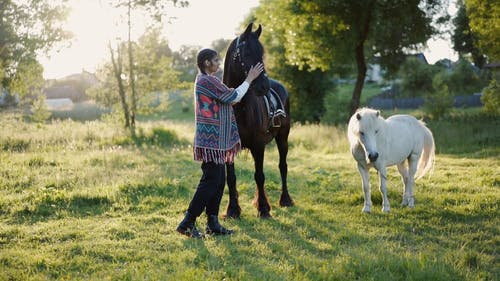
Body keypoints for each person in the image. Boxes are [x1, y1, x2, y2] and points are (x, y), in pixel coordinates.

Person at [176, 48, 264, 238]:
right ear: (207, 63)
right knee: (210, 181)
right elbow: (233, 97)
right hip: (212, 142)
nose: (219, 64)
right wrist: (249, 79)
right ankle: (187, 222)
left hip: (216, 142)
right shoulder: (207, 80)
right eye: (216, 61)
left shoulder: (205, 80)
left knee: (218, 181)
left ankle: (212, 223)